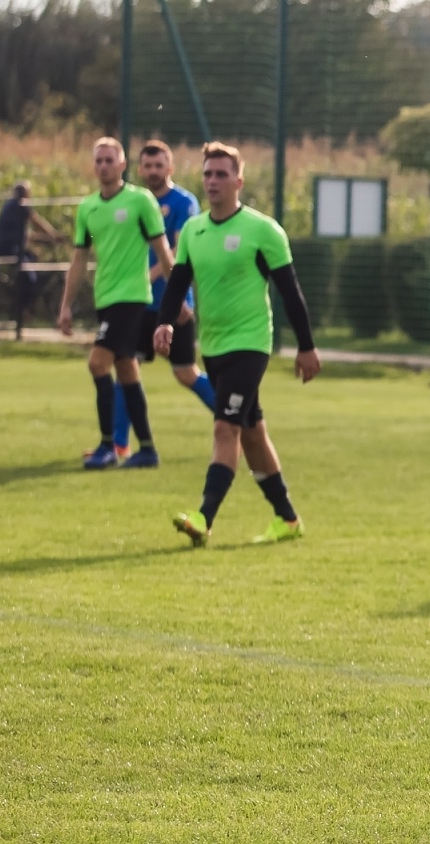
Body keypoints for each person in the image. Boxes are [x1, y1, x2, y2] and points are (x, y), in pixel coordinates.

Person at [154, 142, 320, 547]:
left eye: (221, 174)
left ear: (238, 181)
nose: (212, 181)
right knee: (251, 434)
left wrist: (306, 347)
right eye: (208, 174)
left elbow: (291, 293)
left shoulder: (263, 231)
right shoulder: (193, 230)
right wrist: (164, 323)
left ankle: (203, 518)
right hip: (213, 345)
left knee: (225, 427)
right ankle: (288, 519)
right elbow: (177, 282)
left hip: (251, 343)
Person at [59, 137, 173, 470]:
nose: (105, 166)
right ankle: (148, 449)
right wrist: (65, 305)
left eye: (111, 160)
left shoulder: (141, 201)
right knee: (126, 370)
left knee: (97, 363)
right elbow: (78, 260)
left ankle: (108, 446)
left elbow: (164, 251)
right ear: (93, 167)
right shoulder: (88, 208)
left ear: (123, 165)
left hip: (133, 297)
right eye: (99, 161)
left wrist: (178, 295)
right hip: (106, 298)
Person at [109, 140, 217, 455]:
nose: (153, 171)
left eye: (160, 166)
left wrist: (175, 294)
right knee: (126, 367)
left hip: (173, 305)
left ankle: (237, 418)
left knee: (185, 372)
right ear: (138, 168)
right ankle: (118, 444)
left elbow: (180, 252)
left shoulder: (184, 203)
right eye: (148, 166)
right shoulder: (131, 201)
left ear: (169, 168)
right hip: (136, 303)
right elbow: (94, 232)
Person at [0, 181, 60, 313]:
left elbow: (27, 235)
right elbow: (36, 221)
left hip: (9, 246)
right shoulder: (20, 204)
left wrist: (46, 238)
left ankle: (23, 302)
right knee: (30, 278)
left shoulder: (12, 205)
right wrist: (53, 235)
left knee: (32, 257)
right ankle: (20, 310)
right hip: (9, 248)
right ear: (24, 193)